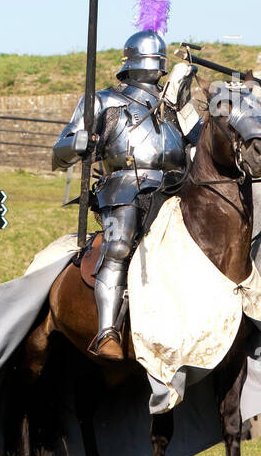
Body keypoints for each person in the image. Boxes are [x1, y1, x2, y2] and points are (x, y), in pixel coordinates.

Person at [52, 33, 192, 357]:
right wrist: (78, 143)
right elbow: (58, 154)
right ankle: (107, 331)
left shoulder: (172, 107)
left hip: (175, 189)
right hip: (124, 188)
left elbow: (199, 141)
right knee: (118, 248)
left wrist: (187, 99)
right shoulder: (104, 101)